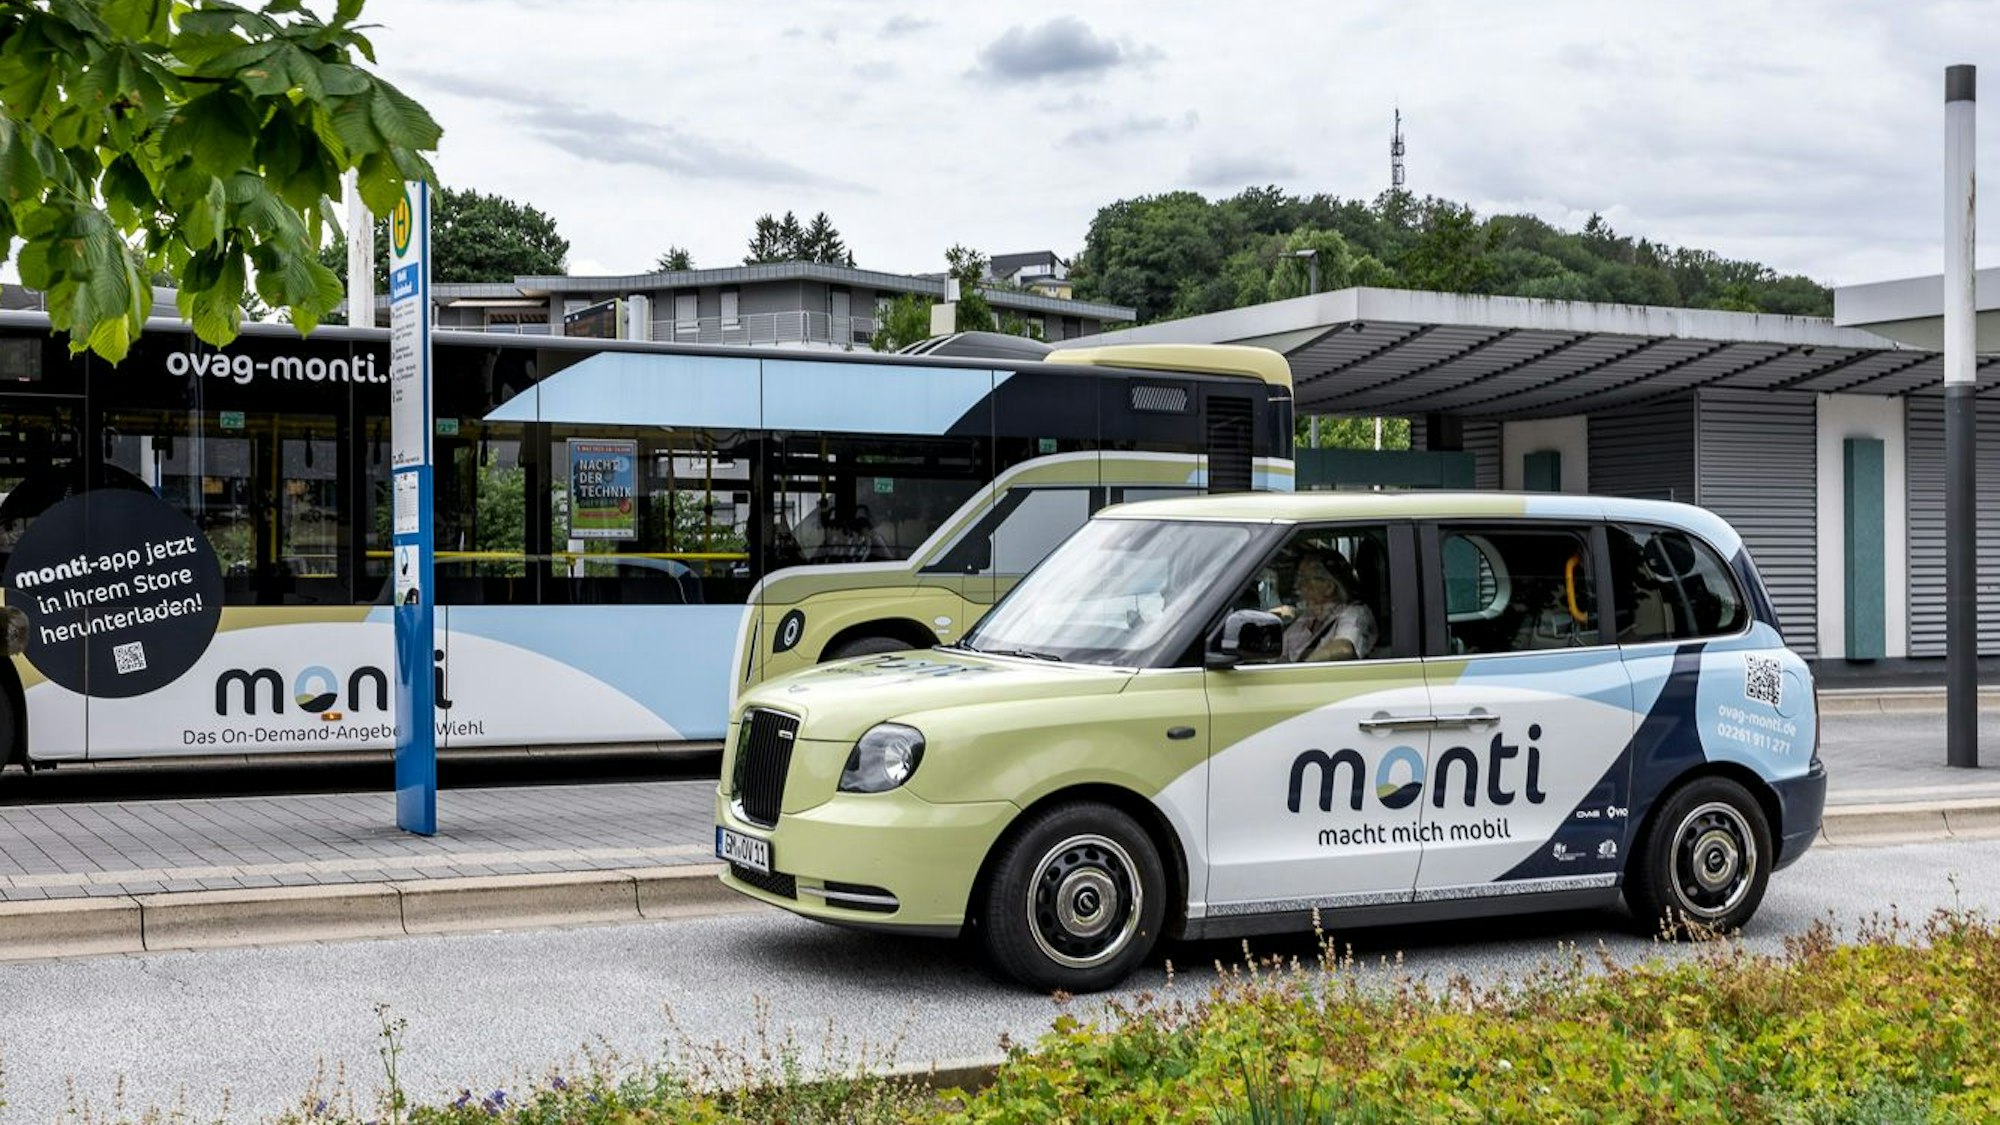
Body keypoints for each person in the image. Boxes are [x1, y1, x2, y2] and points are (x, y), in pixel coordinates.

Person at [1276, 551, 1377, 662]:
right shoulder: (1309, 616)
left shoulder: (1354, 613)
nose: (1297, 585)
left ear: (1329, 587)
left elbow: (1343, 648)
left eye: (1304, 579)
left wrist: (1302, 669)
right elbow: (1279, 652)